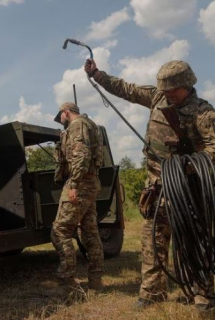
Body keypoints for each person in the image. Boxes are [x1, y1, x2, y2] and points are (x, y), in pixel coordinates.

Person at [84, 59, 215, 310]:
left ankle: (201, 294)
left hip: (188, 190)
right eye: (164, 90)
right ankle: (152, 292)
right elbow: (126, 89)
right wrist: (98, 75)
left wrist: (188, 163)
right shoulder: (157, 98)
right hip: (156, 189)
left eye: (171, 91)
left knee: (193, 241)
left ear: (186, 85)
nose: (167, 95)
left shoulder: (203, 113)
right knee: (151, 242)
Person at [52, 102, 105, 296]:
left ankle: (67, 283)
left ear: (66, 112)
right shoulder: (92, 125)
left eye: (61, 117)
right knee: (89, 231)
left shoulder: (77, 125)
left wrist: (73, 184)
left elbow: (81, 155)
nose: (62, 122)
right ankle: (96, 281)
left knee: (60, 230)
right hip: (90, 182)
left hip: (80, 183)